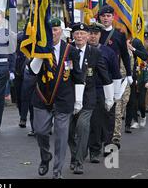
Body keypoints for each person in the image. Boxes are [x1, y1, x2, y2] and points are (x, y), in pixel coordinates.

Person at [28, 18, 84, 179]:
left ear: (61, 31)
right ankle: (45, 157)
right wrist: (40, 53)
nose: (53, 33)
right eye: (50, 30)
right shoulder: (38, 48)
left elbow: (78, 76)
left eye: (55, 30)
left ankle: (57, 170)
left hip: (64, 100)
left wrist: (78, 100)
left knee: (61, 137)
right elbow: (32, 72)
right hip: (42, 98)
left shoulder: (71, 51)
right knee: (40, 132)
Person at [67, 23, 113, 175]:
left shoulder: (94, 53)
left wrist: (109, 97)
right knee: (69, 130)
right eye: (77, 33)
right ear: (73, 36)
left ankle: (79, 162)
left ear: (87, 36)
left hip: (88, 95)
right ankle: (74, 155)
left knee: (83, 126)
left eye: (82, 33)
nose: (79, 36)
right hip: (69, 95)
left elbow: (105, 75)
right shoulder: (67, 51)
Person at [98, 5, 132, 148]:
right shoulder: (95, 33)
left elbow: (125, 55)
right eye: (103, 16)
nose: (106, 18)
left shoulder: (119, 35)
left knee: (114, 110)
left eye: (108, 16)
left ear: (113, 18)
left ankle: (112, 138)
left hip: (114, 77)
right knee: (99, 109)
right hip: (98, 77)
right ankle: (99, 137)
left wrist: (129, 74)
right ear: (100, 17)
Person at [87, 22, 121, 163]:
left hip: (105, 90)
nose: (93, 36)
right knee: (94, 122)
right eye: (91, 33)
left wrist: (115, 94)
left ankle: (108, 147)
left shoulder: (108, 52)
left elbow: (115, 73)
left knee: (108, 120)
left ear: (100, 35)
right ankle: (94, 150)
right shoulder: (83, 50)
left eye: (96, 34)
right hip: (89, 89)